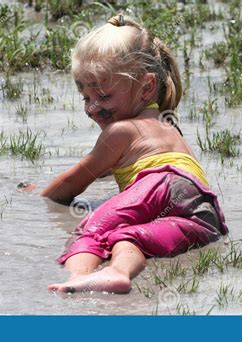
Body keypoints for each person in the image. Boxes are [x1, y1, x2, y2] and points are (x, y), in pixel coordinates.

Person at [22, 14, 228, 294]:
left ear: (146, 87)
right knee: (131, 236)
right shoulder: (169, 129)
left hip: (159, 185)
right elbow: (139, 171)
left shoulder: (121, 131)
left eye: (104, 96)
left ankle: (76, 278)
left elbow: (69, 186)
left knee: (92, 230)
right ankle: (120, 271)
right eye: (86, 98)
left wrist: (40, 196)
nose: (93, 108)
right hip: (203, 214)